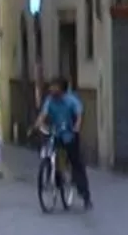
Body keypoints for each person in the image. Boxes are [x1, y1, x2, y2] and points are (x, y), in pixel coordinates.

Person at [33, 77, 92, 208]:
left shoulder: (71, 100)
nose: (52, 89)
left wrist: (77, 126)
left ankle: (85, 195)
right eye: (51, 87)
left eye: (55, 87)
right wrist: (38, 124)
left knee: (76, 164)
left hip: (69, 134)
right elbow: (43, 114)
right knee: (51, 153)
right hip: (56, 133)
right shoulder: (49, 101)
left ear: (62, 89)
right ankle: (52, 175)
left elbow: (79, 114)